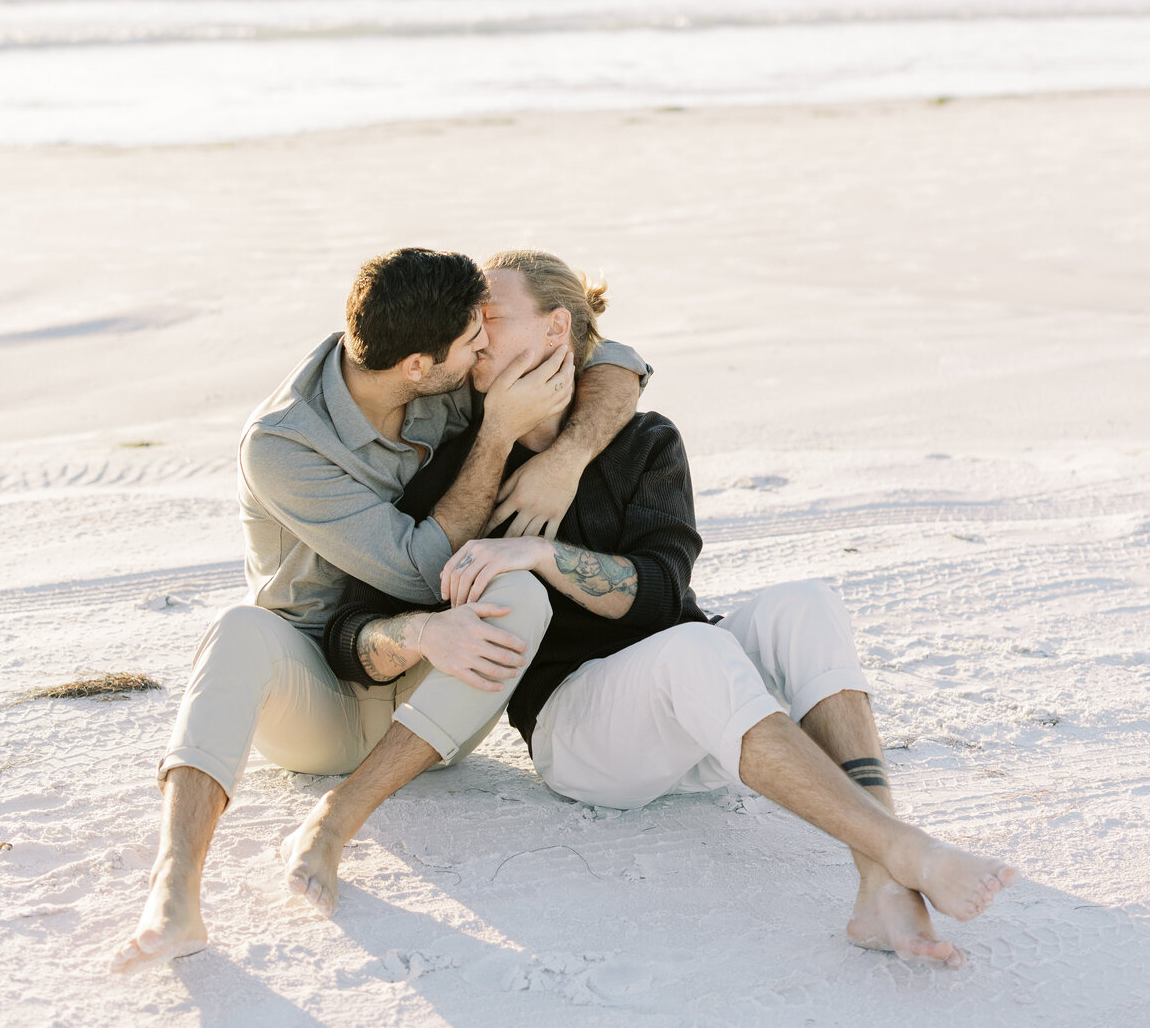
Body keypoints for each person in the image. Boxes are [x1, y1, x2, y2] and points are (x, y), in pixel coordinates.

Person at [285, 249, 1017, 968]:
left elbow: (664, 590)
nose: (474, 335)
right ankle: (904, 847)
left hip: (709, 716)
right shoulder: (455, 464)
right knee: (695, 651)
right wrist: (423, 628)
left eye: (492, 317)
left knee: (806, 603)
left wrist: (542, 551)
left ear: (555, 332)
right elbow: (354, 624)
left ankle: (880, 878)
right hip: (584, 736)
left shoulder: (645, 440)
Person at [111, 246, 647, 973]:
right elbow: (416, 569)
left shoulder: (443, 371)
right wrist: (495, 435)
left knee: (518, 591)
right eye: (474, 341)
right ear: (418, 367)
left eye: (487, 331)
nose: (487, 347)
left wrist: (566, 458)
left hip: (435, 699)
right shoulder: (283, 446)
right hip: (317, 696)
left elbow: (614, 357)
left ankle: (334, 823)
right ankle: (172, 893)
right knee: (237, 628)